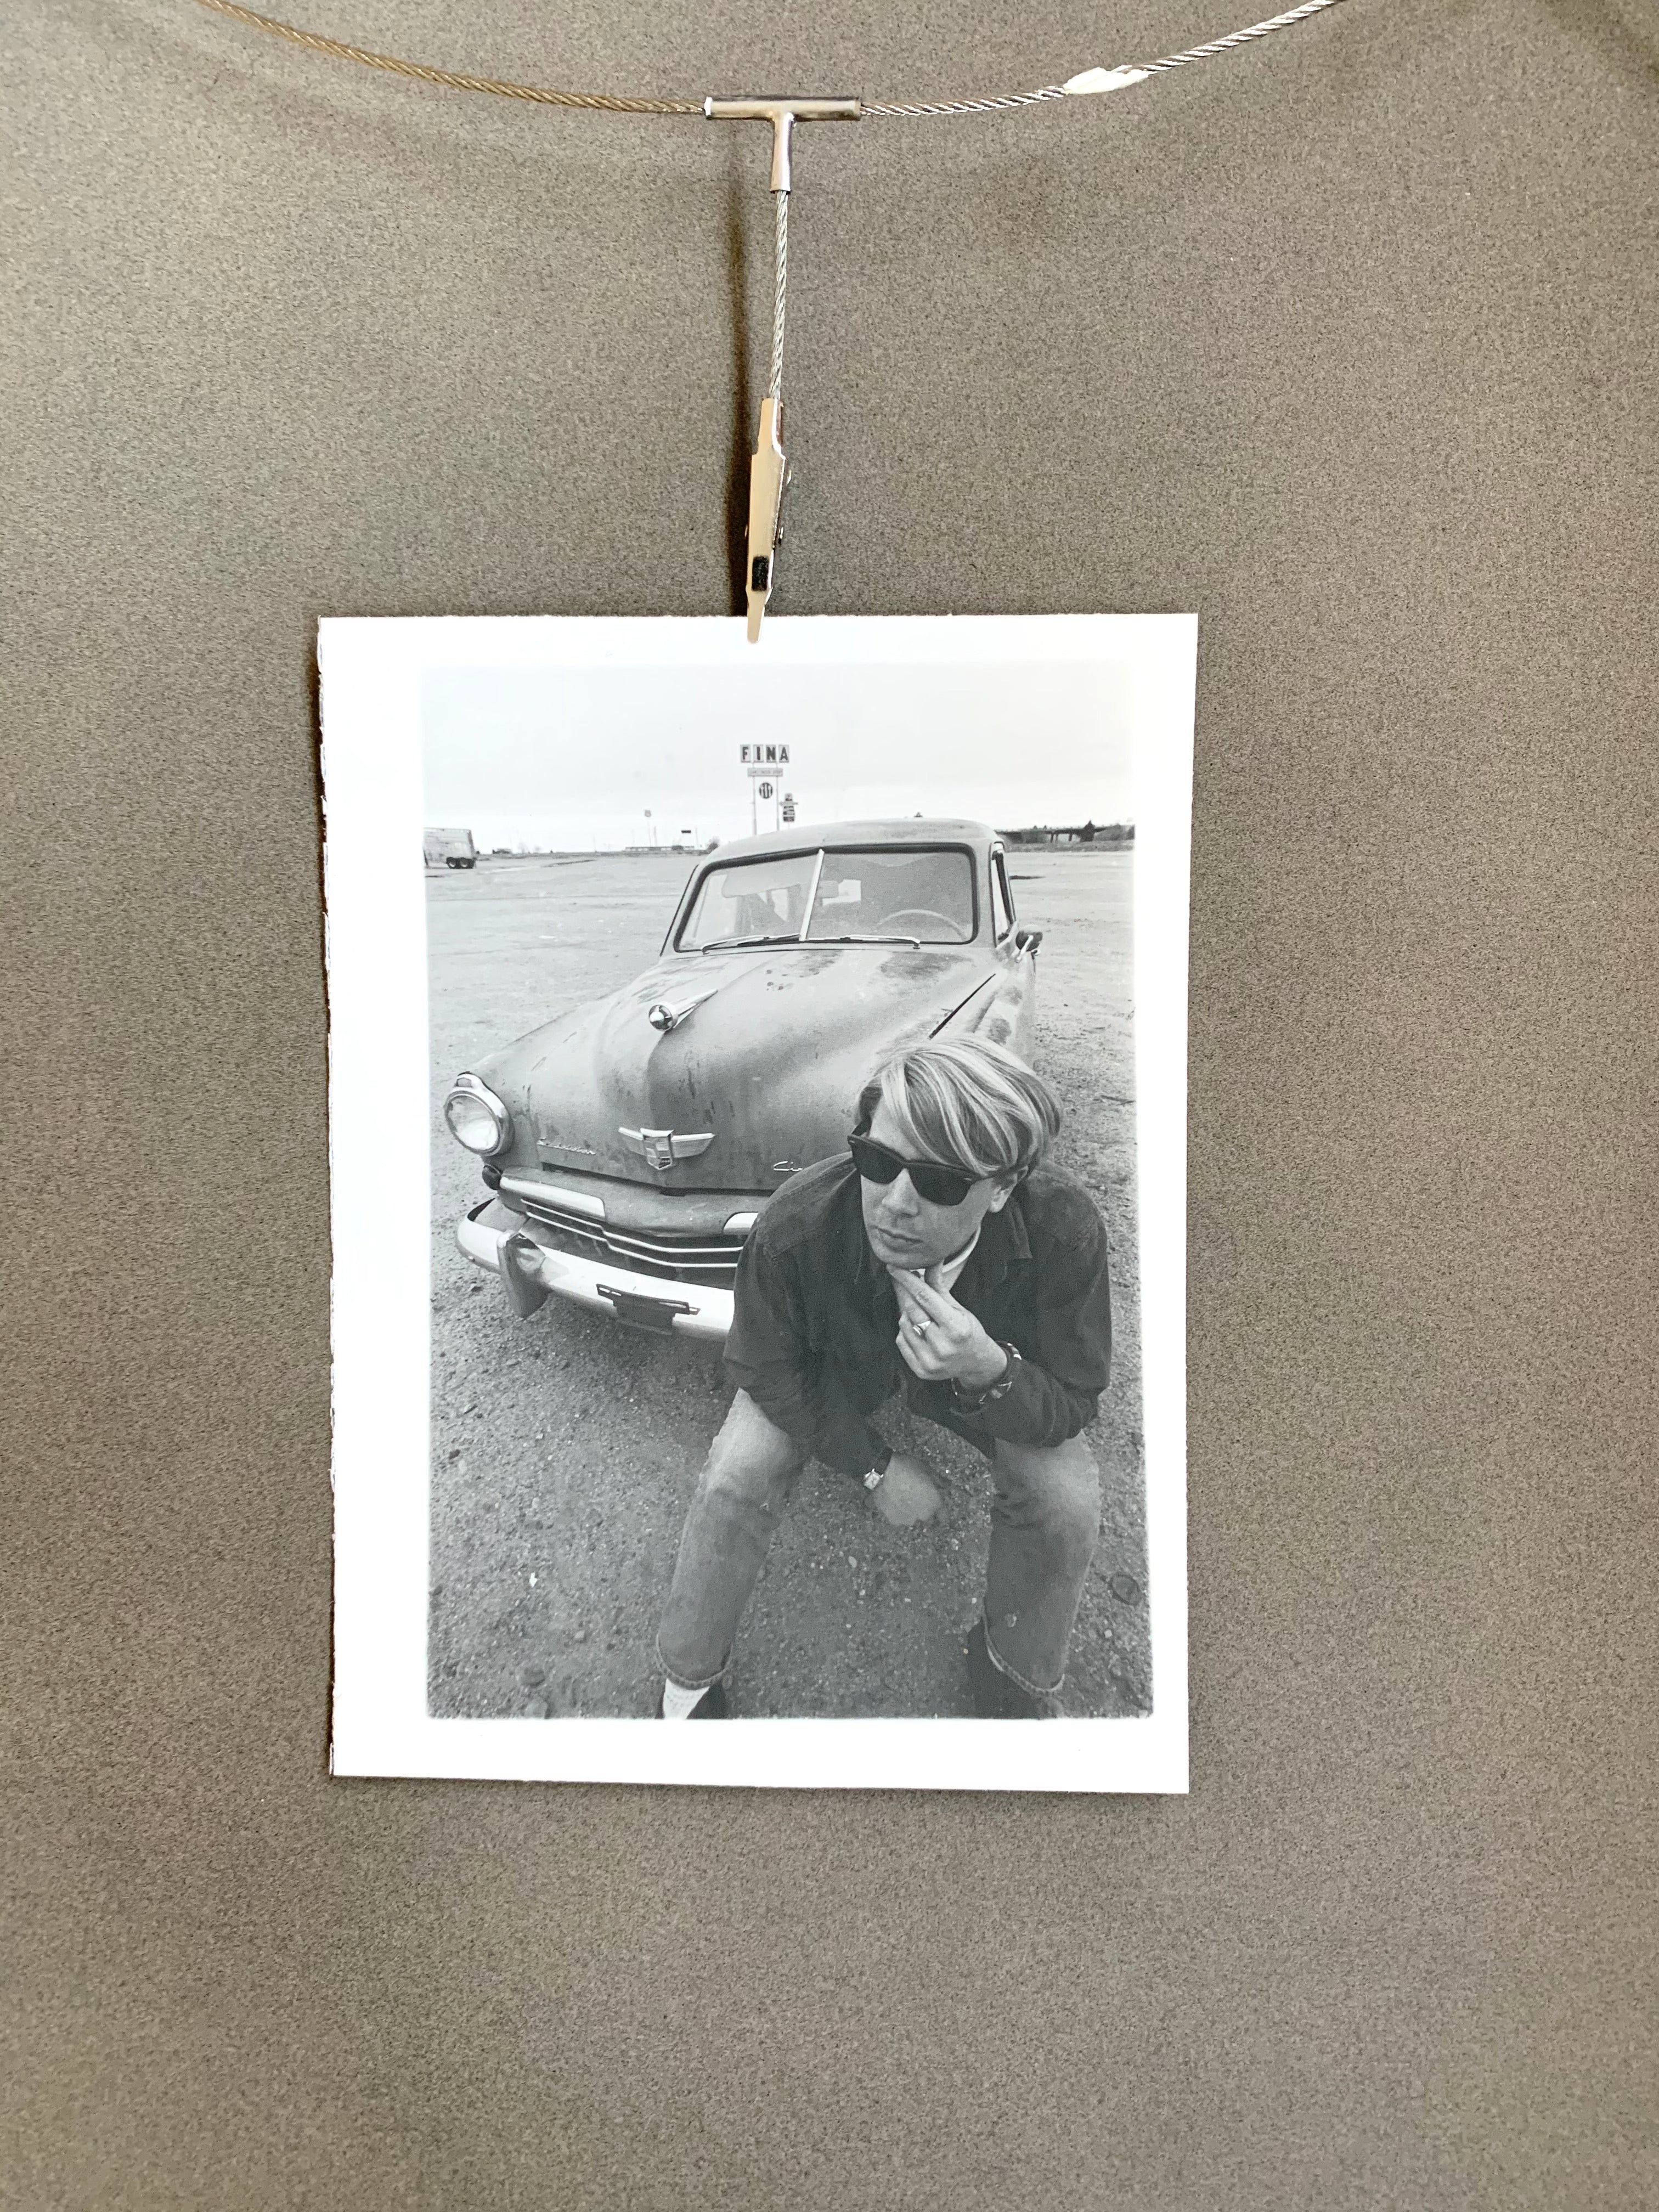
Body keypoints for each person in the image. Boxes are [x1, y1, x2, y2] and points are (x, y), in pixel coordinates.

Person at [655, 1035, 1112, 1719]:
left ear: (1004, 1188)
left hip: (981, 1379)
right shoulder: (795, 1226)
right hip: (840, 1370)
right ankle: (687, 1676)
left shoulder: (1064, 1232)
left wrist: (988, 1368)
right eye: (877, 1161)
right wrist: (874, 1466)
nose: (895, 1203)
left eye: (941, 1182)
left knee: (1065, 1503)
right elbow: (762, 1363)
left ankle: (1012, 1667)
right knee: (736, 1474)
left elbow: (1074, 1398)